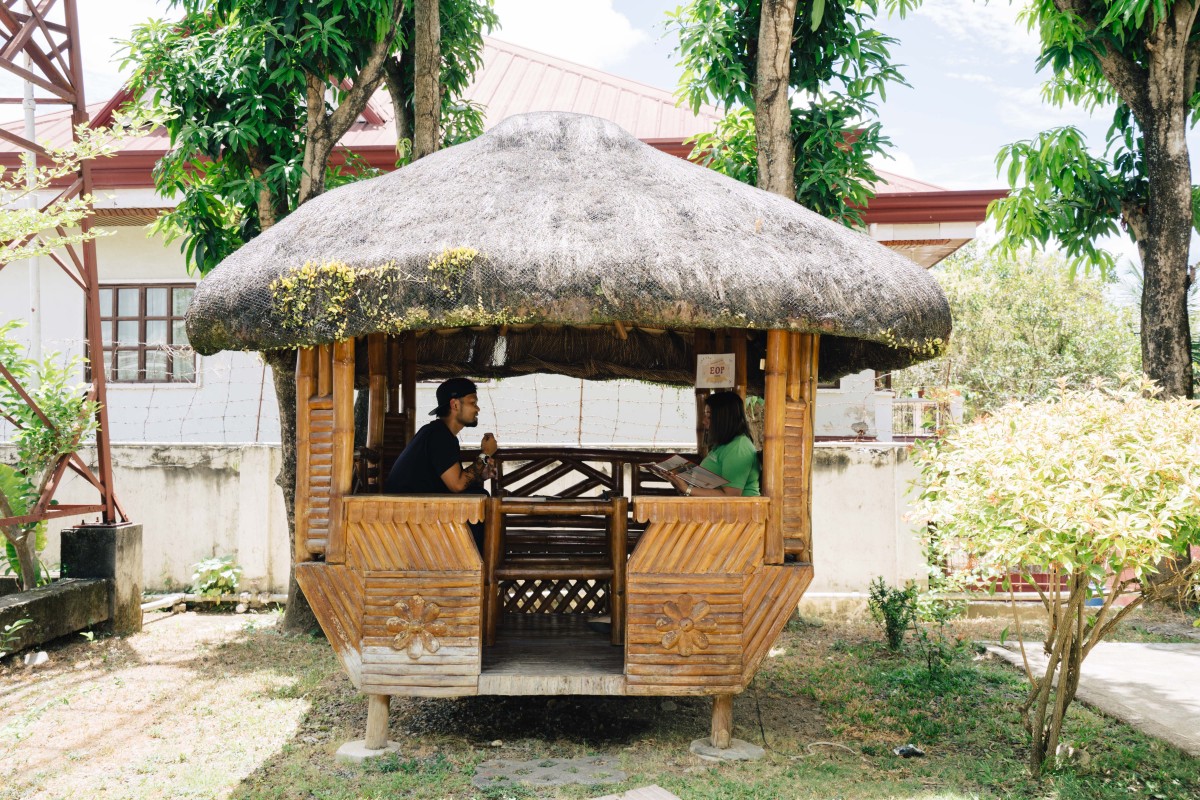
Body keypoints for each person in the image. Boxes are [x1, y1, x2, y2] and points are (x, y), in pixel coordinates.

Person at [384, 377, 498, 547]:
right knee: (479, 501)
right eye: (472, 402)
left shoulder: (439, 434)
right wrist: (485, 454)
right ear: (455, 405)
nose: (477, 409)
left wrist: (480, 474)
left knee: (477, 493)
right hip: (407, 519)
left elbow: (455, 480)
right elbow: (457, 485)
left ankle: (479, 562)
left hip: (419, 512)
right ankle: (478, 563)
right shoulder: (438, 435)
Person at [667, 391, 760, 497]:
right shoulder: (723, 444)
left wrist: (687, 489)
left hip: (737, 511)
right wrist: (680, 482)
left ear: (724, 419)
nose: (704, 421)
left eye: (709, 417)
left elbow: (731, 496)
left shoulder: (739, 447)